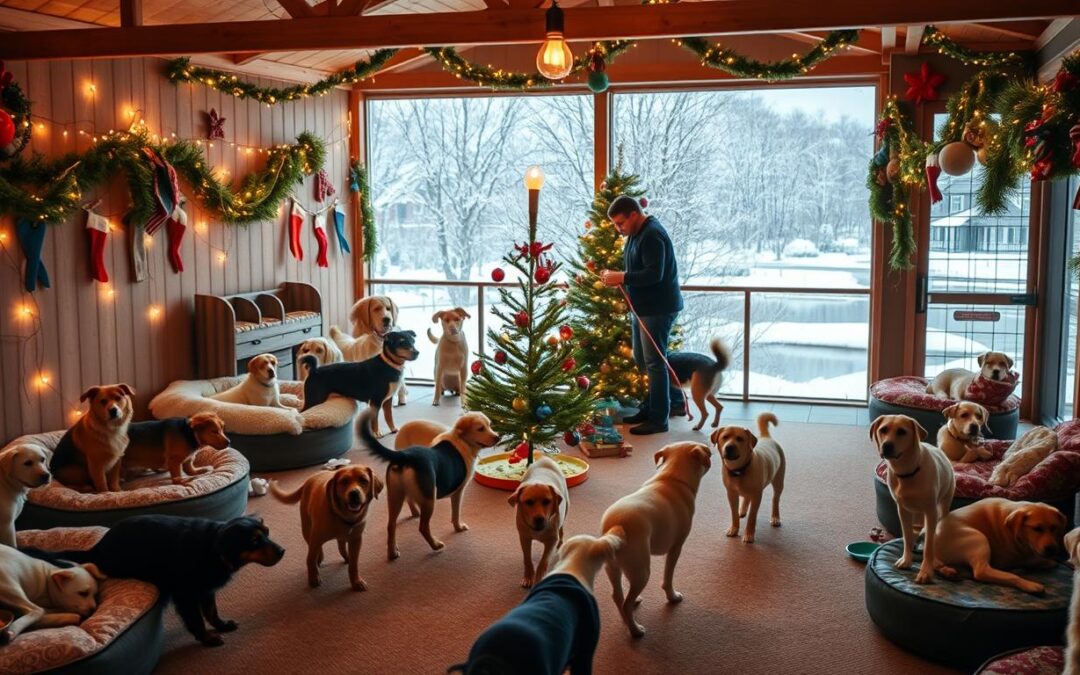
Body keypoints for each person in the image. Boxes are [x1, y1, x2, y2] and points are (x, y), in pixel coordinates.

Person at [599, 196, 683, 436]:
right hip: (642, 308)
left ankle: (659, 418)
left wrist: (622, 277)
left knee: (654, 362)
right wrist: (618, 276)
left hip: (658, 308)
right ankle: (668, 402)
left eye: (620, 223)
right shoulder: (636, 233)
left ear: (634, 215)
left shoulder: (652, 235)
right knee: (642, 359)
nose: (618, 229)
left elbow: (654, 274)